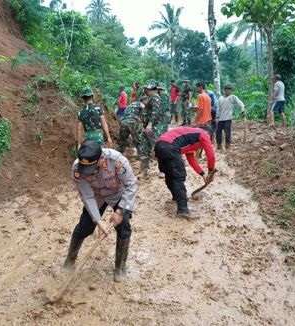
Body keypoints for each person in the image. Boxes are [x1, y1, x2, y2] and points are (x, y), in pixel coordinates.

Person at [63, 141, 137, 282]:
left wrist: (120, 211)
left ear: (101, 158)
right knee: (84, 226)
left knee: (123, 228)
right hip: (95, 195)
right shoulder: (77, 169)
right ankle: (70, 259)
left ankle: (120, 267)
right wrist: (98, 220)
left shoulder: (116, 161)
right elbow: (87, 195)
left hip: (117, 193)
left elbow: (131, 184)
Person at [155, 127, 216, 219]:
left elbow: (191, 160)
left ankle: (177, 197)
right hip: (169, 146)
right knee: (179, 177)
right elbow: (211, 155)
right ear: (210, 135)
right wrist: (210, 171)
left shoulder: (189, 139)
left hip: (159, 146)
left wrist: (203, 174)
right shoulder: (204, 134)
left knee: (170, 174)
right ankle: (183, 210)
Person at [139, 83, 161, 177]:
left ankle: (162, 170)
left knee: (158, 148)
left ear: (151, 90)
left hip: (152, 128)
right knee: (144, 148)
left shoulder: (155, 97)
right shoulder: (151, 98)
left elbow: (155, 112)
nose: (146, 91)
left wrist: (150, 124)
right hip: (147, 127)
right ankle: (144, 171)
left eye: (147, 90)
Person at [215, 85, 246, 150]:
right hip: (220, 118)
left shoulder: (233, 97)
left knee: (227, 132)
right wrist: (217, 117)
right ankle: (219, 146)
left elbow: (240, 103)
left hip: (228, 118)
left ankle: (227, 146)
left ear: (231, 90)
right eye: (226, 89)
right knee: (218, 132)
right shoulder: (220, 98)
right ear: (224, 90)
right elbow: (218, 108)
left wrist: (243, 111)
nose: (228, 90)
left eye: (229, 89)